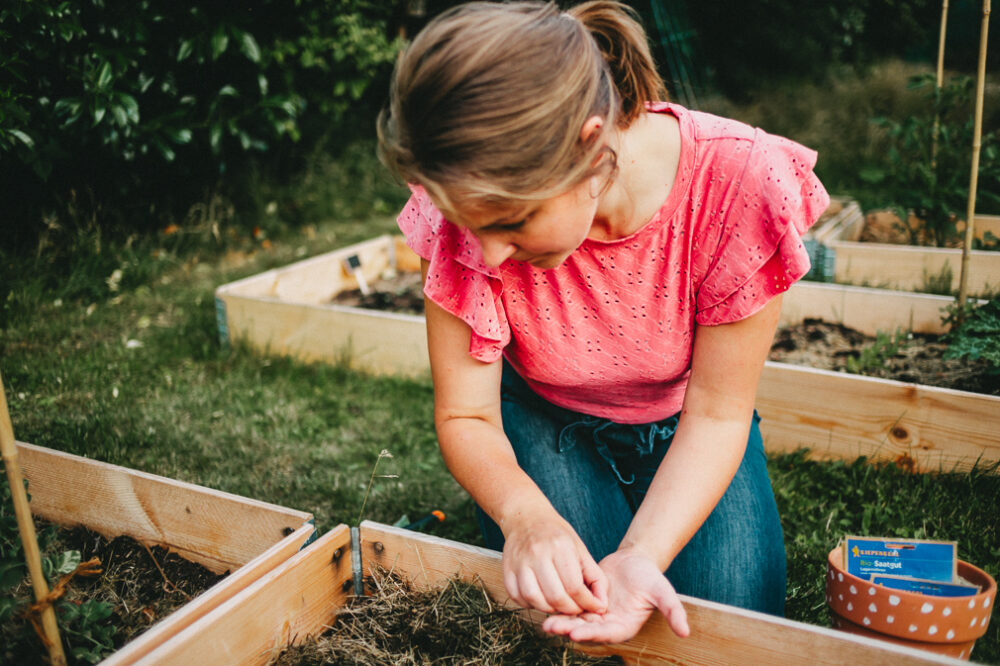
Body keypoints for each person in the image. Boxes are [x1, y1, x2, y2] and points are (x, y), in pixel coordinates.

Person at [377, 0, 829, 645]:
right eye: (477, 228)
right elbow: (466, 416)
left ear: (590, 146)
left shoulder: (738, 183)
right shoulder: (465, 207)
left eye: (511, 224)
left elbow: (719, 414)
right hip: (545, 418)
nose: (491, 256)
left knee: (729, 629)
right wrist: (524, 516)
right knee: (574, 611)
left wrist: (643, 554)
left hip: (687, 425)